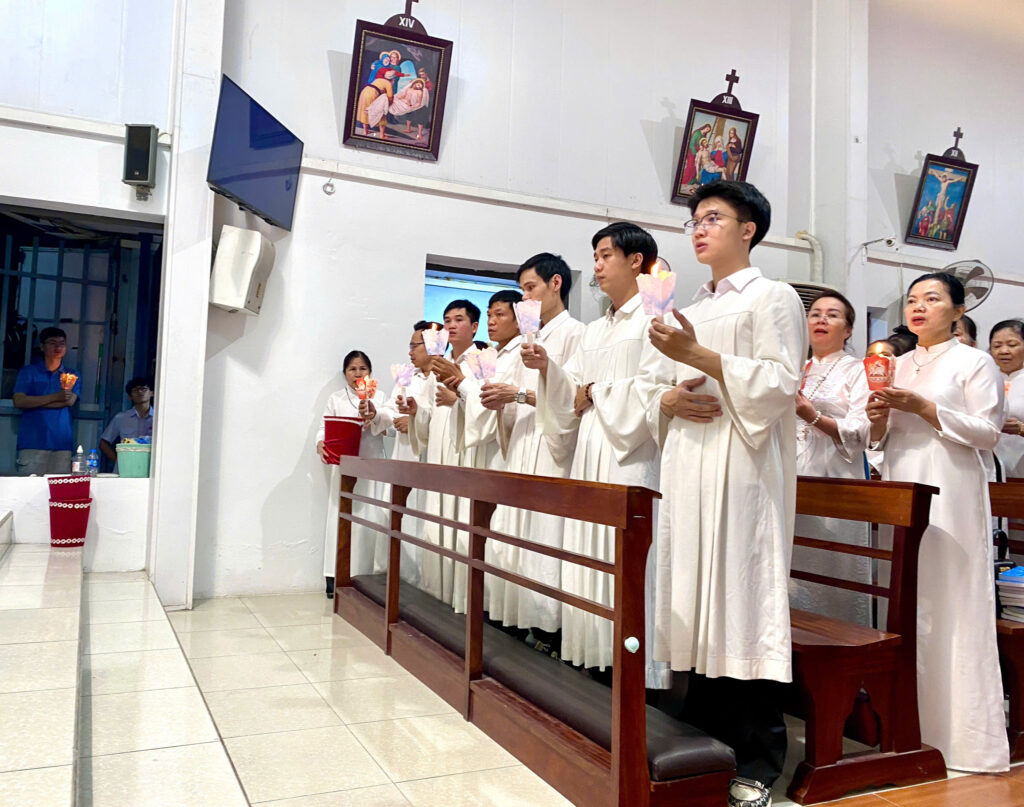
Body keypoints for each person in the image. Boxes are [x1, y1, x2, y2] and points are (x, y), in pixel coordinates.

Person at [640, 180, 805, 789]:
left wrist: (700, 356)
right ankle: (700, 748)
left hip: (742, 468)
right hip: (690, 465)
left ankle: (757, 759)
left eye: (713, 218)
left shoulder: (773, 296)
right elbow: (667, 384)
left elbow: (781, 383)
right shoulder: (694, 307)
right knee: (695, 596)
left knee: (739, 597)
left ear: (748, 229)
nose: (699, 230)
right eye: (695, 221)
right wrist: (668, 398)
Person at [866, 272, 1008, 772]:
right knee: (911, 601)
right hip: (903, 483)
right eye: (912, 299)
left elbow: (987, 433)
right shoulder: (897, 363)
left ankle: (964, 738)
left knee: (951, 599)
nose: (919, 307)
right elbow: (878, 441)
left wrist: (925, 407)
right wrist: (878, 421)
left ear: (958, 310)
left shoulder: (974, 361)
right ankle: (908, 729)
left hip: (951, 487)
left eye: (932, 298)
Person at [523, 222, 669, 689]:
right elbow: (571, 390)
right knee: (589, 552)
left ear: (636, 261)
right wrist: (550, 370)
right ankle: (592, 654)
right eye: (595, 257)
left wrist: (596, 391)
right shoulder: (596, 328)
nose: (598, 266)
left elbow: (655, 388)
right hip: (590, 449)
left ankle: (634, 671)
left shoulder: (656, 319)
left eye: (606, 256)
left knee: (625, 559)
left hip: (630, 455)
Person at [481, 255, 585, 644]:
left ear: (556, 283)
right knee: (512, 536)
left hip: (551, 449)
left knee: (543, 538)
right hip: (522, 445)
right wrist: (500, 399)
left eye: (530, 288)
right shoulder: (531, 336)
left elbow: (574, 399)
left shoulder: (575, 333)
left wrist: (519, 394)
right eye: (522, 290)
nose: (524, 298)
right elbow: (514, 394)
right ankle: (515, 616)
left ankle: (548, 629)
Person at [791, 292, 871, 624]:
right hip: (794, 479)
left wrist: (813, 417)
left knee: (835, 568)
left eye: (833, 315)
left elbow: (862, 431)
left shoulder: (858, 370)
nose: (822, 319)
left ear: (848, 330)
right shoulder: (795, 368)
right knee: (795, 566)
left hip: (837, 478)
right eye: (815, 313)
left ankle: (845, 637)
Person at [401, 300, 481, 606]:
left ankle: (462, 598)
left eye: (459, 319)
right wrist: (415, 411)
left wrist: (458, 396)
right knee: (436, 522)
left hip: (464, 455)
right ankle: (435, 594)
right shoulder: (437, 367)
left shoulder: (481, 361)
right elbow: (427, 412)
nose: (451, 325)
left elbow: (487, 408)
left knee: (461, 526)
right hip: (438, 452)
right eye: (447, 320)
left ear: (474, 327)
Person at [316, 350, 393, 598]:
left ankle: (368, 575)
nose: (357, 373)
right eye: (352, 369)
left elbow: (392, 428)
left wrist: (375, 418)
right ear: (345, 373)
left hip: (372, 465)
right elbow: (324, 427)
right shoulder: (336, 398)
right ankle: (335, 575)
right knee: (341, 516)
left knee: (373, 517)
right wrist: (320, 443)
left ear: (370, 372)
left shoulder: (380, 397)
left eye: (362, 368)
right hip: (345, 466)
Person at [380, 321, 438, 586]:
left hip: (432, 462)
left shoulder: (444, 376)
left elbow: (449, 418)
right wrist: (380, 416)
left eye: (415, 346)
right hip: (404, 457)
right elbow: (391, 409)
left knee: (426, 523)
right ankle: (400, 580)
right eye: (410, 346)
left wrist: (415, 422)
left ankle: (427, 584)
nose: (410, 352)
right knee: (399, 520)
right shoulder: (407, 377)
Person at [12, 327, 81, 475]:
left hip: (62, 444)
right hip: (32, 442)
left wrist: (34, 401)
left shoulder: (72, 374)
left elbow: (69, 401)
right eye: (52, 343)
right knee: (28, 487)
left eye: (62, 343)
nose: (58, 347)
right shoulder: (29, 372)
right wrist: (56, 397)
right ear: (42, 347)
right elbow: (19, 401)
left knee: (59, 487)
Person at [990, 319, 1024, 480]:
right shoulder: (984, 379)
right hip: (989, 471)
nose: (1004, 351)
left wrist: (1020, 429)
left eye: (1012, 345)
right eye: (997, 346)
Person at [99, 377, 154, 469]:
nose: (140, 392)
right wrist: (119, 461)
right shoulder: (121, 418)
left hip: (151, 468)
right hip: (125, 468)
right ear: (129, 396)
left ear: (152, 393)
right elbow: (103, 444)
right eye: (135, 390)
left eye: (144, 389)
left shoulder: (159, 418)